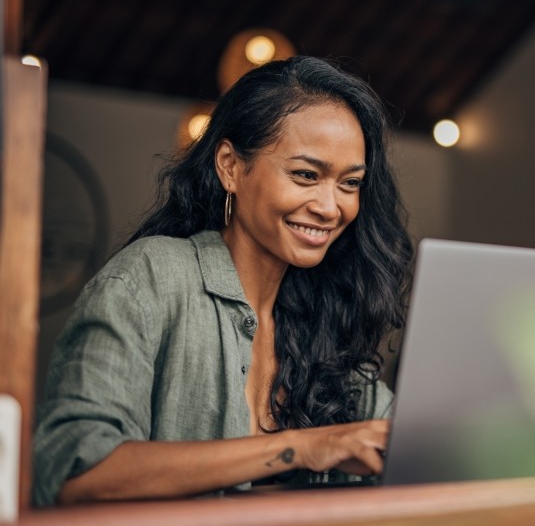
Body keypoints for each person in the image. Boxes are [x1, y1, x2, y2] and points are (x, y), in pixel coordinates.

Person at [32, 56, 413, 506]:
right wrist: (301, 448)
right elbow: (74, 471)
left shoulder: (326, 316)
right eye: (306, 175)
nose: (331, 207)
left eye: (350, 183)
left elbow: (403, 442)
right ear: (230, 166)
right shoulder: (151, 278)